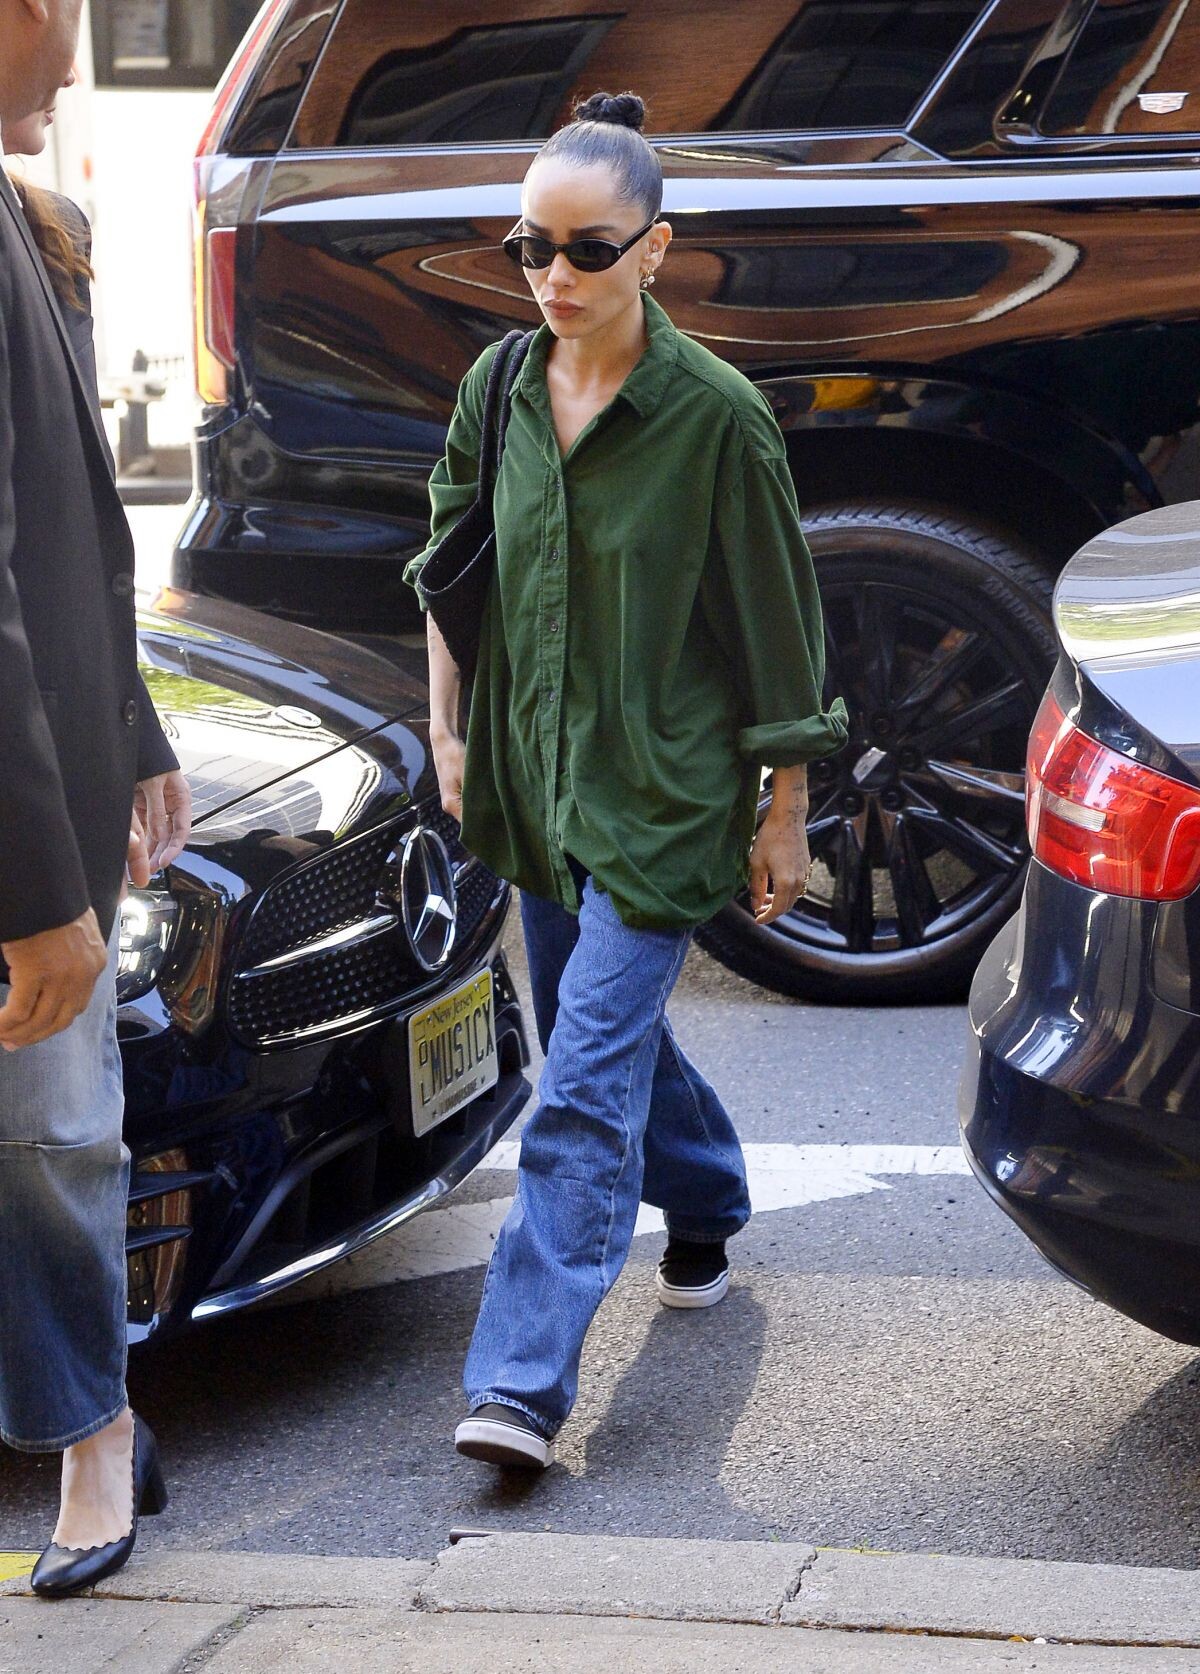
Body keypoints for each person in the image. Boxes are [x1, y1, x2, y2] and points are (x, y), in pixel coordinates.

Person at [406, 91, 847, 1471]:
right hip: (534, 782)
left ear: (657, 247)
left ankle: (519, 1384)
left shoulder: (719, 421)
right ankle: (707, 1195)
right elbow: (450, 570)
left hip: (662, 797)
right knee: (608, 1037)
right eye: (530, 247)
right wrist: (450, 734)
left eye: (589, 250)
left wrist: (785, 813)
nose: (555, 276)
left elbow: (779, 637)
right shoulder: (497, 390)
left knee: (582, 1085)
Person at [0, 0, 192, 1596]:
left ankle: (93, 1431)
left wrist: (133, 731)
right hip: (22, 819)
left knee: (54, 1131)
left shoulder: (43, 224)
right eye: (57, 7)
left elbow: (81, 534)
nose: (77, 43)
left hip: (40, 796)